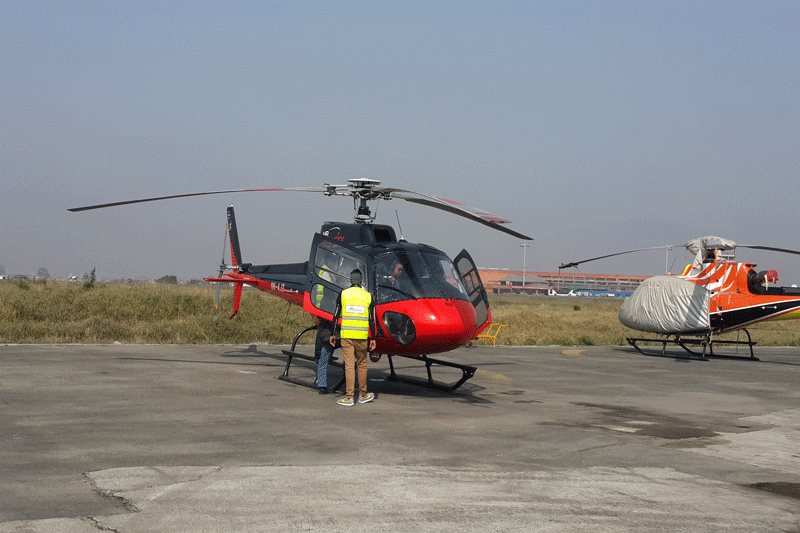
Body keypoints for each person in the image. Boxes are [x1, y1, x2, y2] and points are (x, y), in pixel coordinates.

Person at [330, 269, 376, 406]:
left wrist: (333, 334)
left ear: (351, 280)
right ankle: (363, 394)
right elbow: (372, 319)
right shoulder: (368, 296)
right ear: (361, 281)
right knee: (362, 365)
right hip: (362, 336)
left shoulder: (343, 294)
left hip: (346, 336)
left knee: (349, 366)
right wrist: (373, 337)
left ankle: (349, 397)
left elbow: (336, 315)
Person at [314, 316, 336, 394]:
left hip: (326, 336)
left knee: (321, 359)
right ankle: (322, 385)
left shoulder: (323, 324)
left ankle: (322, 386)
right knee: (323, 358)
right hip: (333, 335)